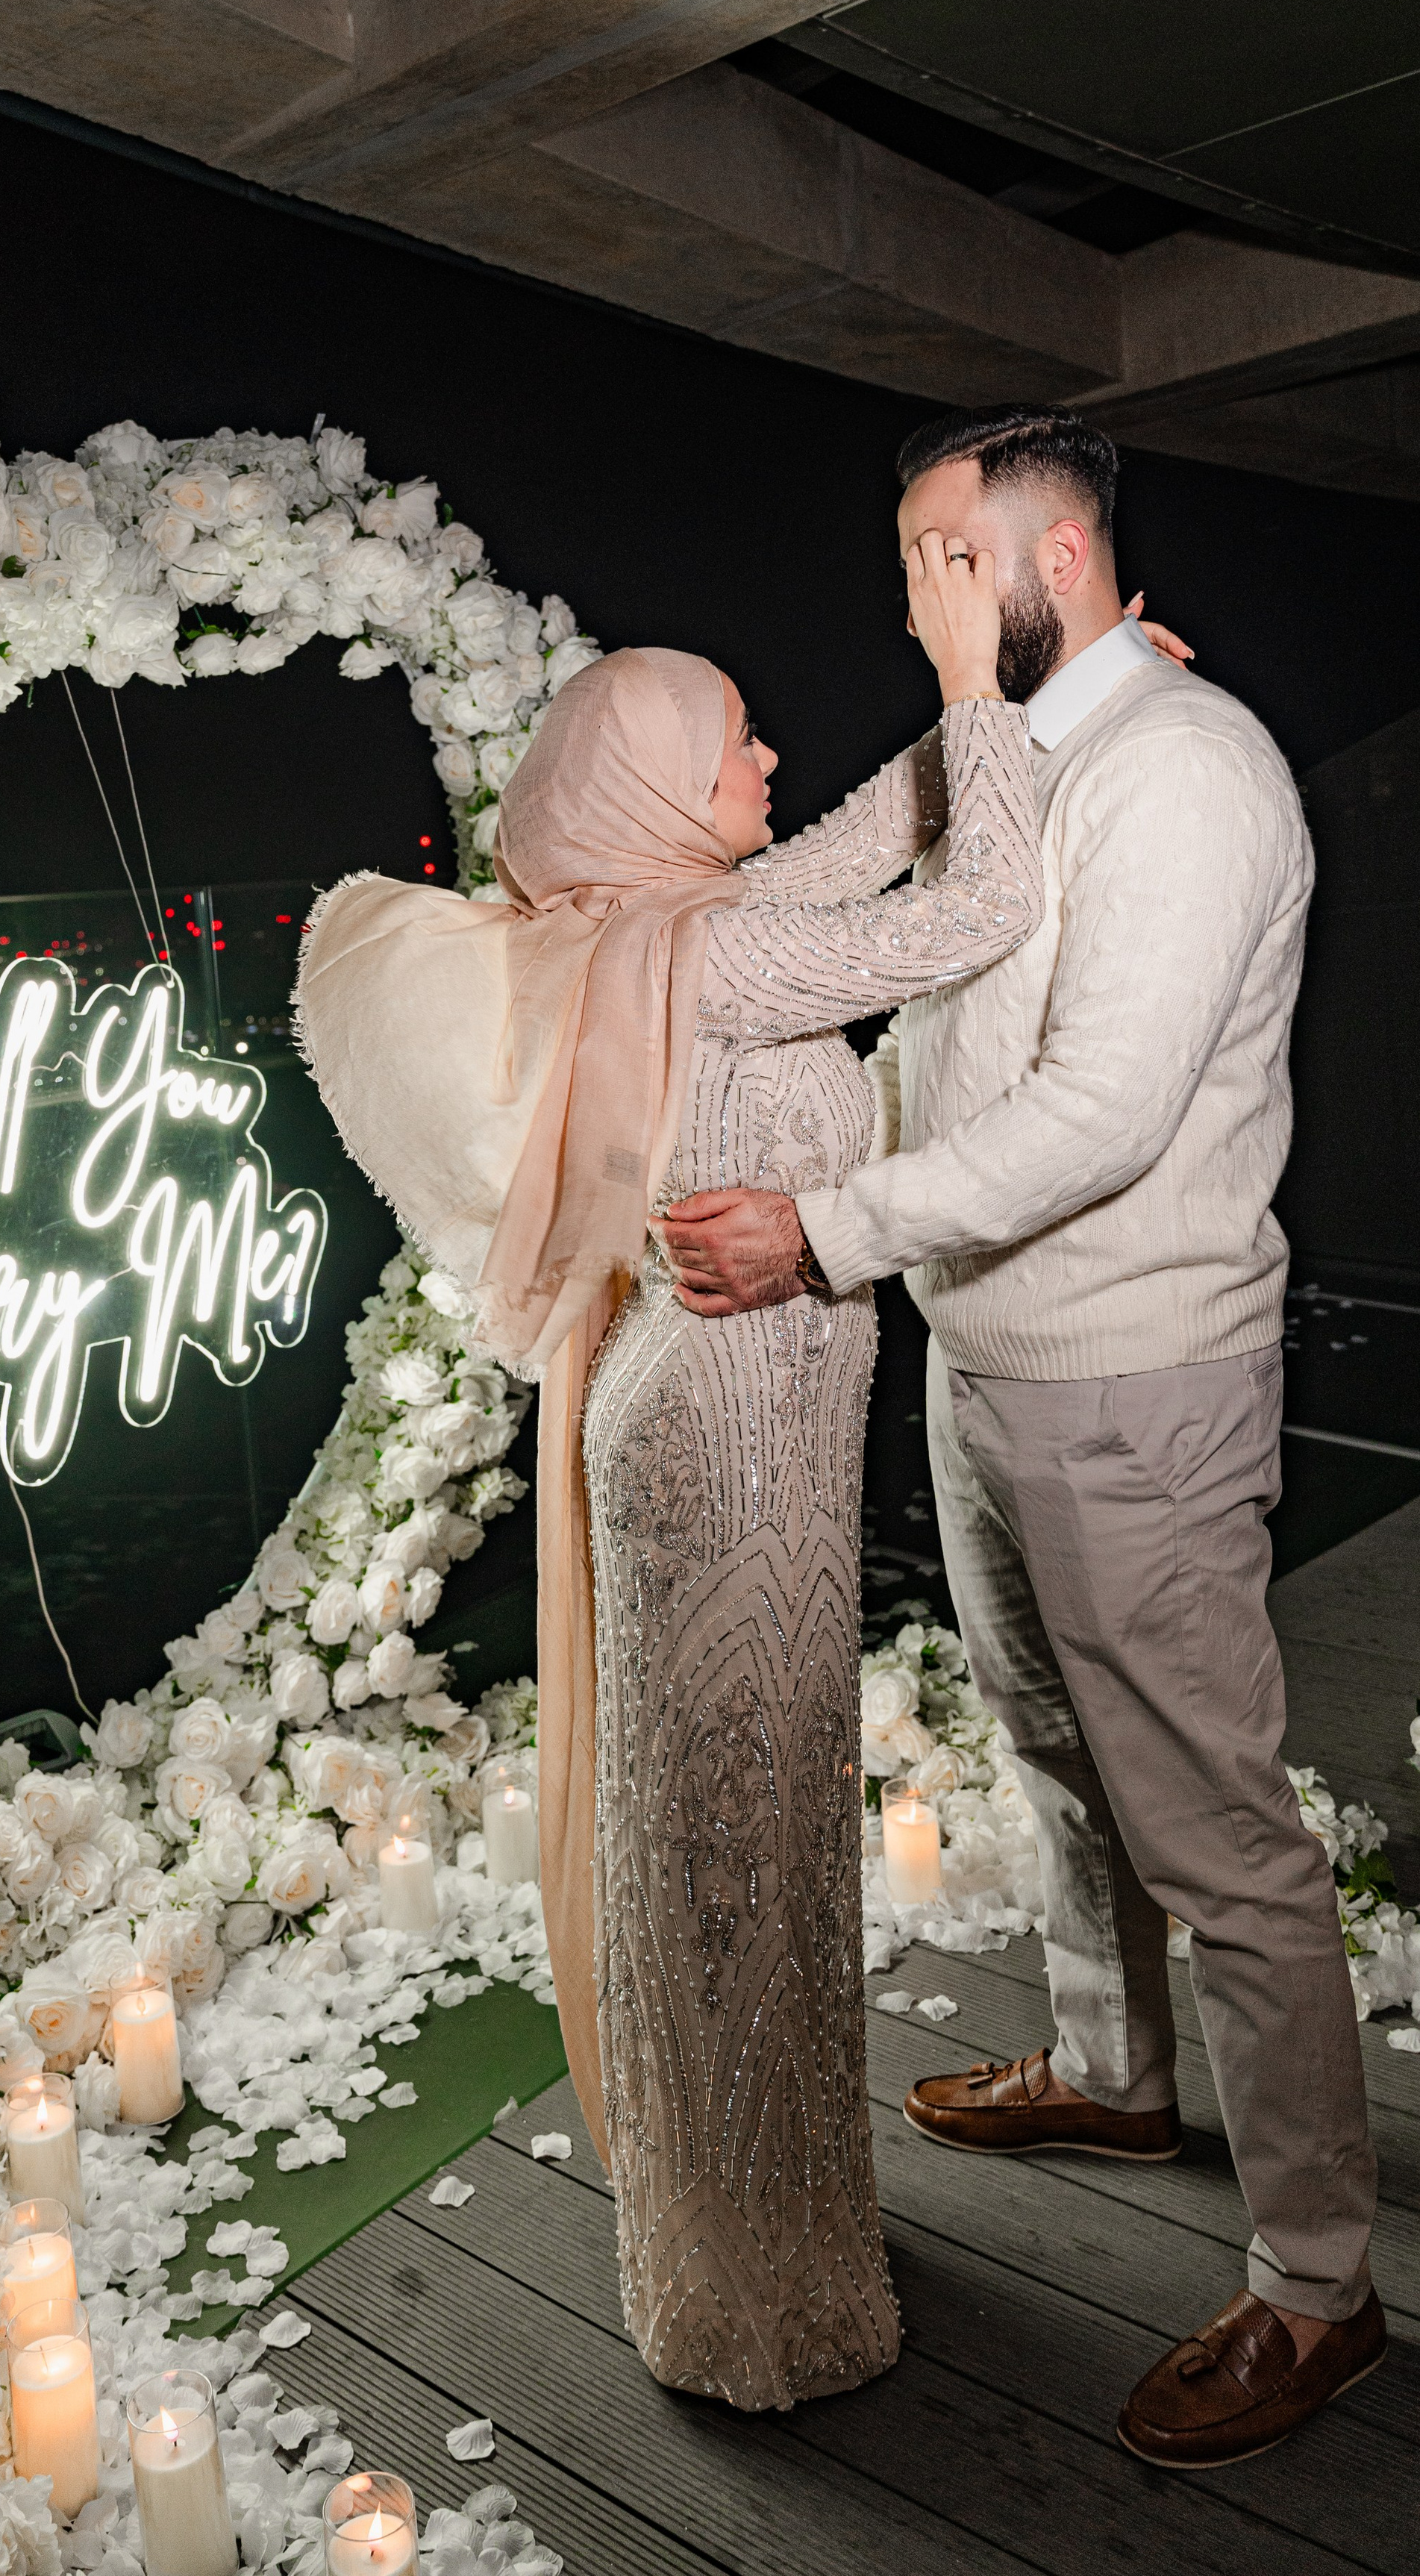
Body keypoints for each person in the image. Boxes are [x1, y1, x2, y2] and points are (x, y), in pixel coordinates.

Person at [661, 403, 1382, 2467]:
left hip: (1134, 1376)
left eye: (942, 557)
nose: (910, 597)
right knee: (1047, 1740)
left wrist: (820, 1231)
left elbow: (1104, 1114)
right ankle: (1112, 2072)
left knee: (1216, 1836)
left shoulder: (1184, 771)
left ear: (1054, 557)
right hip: (985, 1350)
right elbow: (902, 987)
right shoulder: (1002, 758)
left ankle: (1317, 2288)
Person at [298, 543, 1043, 2409]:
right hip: (724, 1439)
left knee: (732, 1841)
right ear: (652, 790)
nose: (770, 757)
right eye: (733, 744)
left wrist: (998, 710)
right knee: (737, 1855)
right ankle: (749, 2300)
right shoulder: (704, 953)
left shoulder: (643, 931)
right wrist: (975, 683)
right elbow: (979, 906)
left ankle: (745, 2244)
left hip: (713, 1418)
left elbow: (860, 841)